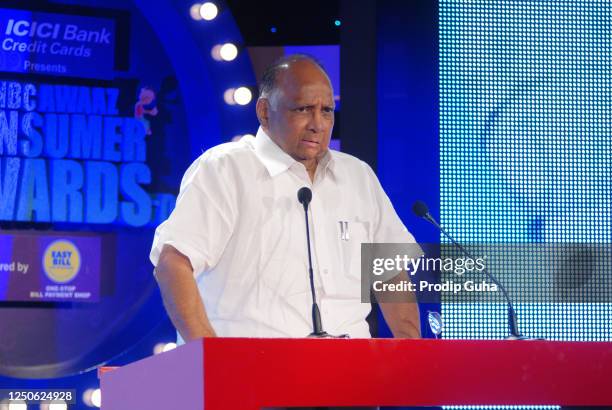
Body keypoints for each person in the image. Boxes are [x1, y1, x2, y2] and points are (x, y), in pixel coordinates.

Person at [150, 54, 420, 345]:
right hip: (250, 376)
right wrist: (209, 359)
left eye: (327, 111)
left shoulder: (358, 176)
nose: (318, 124)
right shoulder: (226, 169)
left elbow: (390, 272)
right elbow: (172, 263)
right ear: (265, 112)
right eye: (303, 109)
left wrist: (411, 356)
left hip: (351, 375)